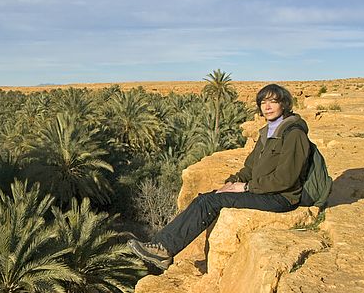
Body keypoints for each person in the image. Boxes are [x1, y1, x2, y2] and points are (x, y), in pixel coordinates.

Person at [129, 83, 311, 272]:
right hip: (264, 191)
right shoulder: (268, 132)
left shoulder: (294, 134)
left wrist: (246, 187)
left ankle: (163, 249)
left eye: (273, 102)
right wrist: (231, 183)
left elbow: (285, 179)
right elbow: (250, 168)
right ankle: (160, 246)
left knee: (209, 202)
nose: (267, 107)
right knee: (206, 198)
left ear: (284, 104)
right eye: (263, 102)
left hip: (281, 197)